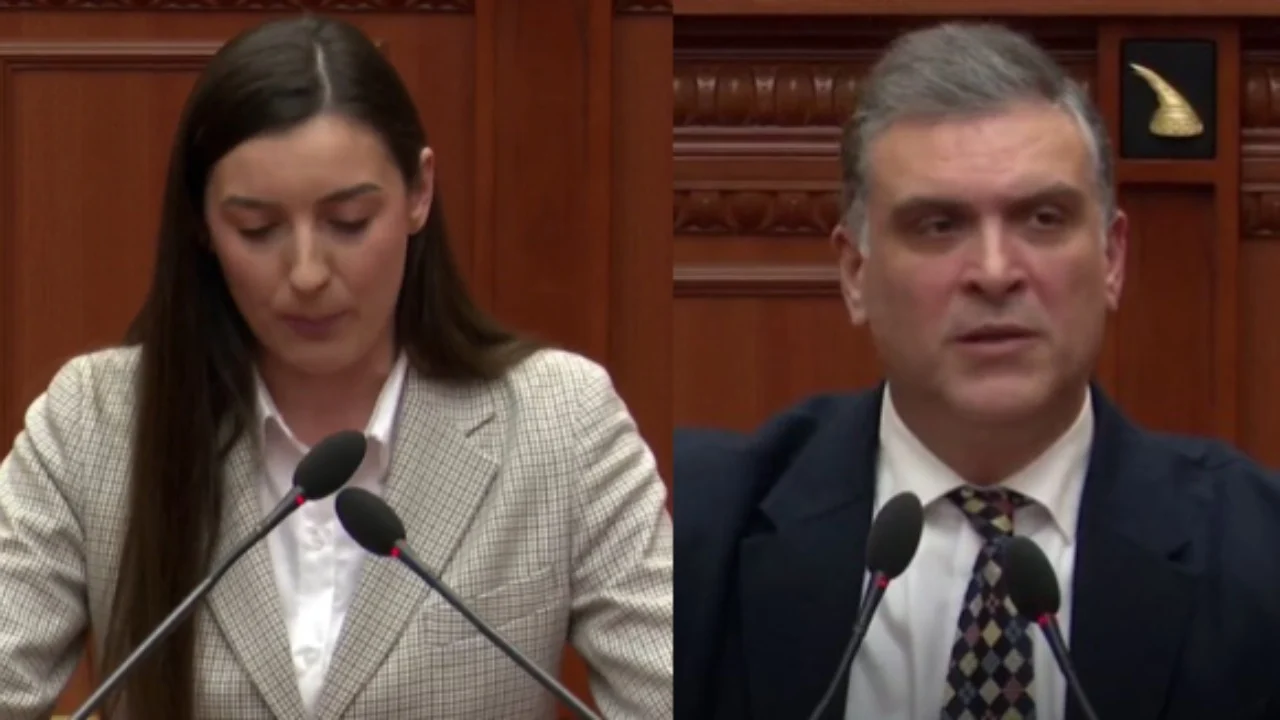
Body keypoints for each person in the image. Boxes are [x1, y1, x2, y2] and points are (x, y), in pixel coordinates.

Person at [0, 15, 672, 720]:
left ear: (419, 193)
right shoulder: (96, 426)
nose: (308, 274)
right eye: (258, 229)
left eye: (348, 221)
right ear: (202, 225)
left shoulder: (562, 421)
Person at [674, 21, 1280, 720]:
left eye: (1043, 218)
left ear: (1112, 260)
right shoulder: (693, 529)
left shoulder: (1259, 554)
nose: (994, 273)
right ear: (855, 274)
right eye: (939, 226)